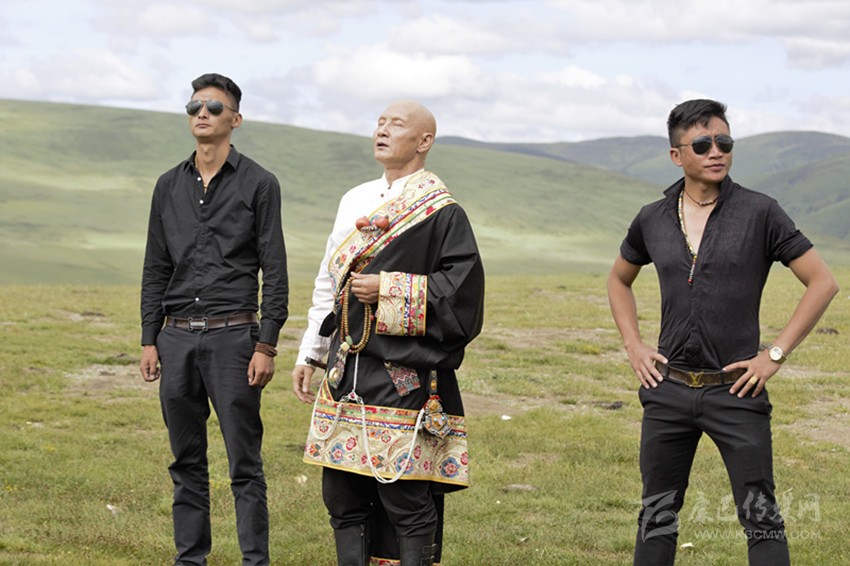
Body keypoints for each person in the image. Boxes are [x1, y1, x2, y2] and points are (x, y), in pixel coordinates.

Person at [607, 98, 839, 565]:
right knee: (656, 516)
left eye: (724, 142)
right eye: (703, 144)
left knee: (761, 518)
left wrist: (774, 355)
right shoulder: (652, 218)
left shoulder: (761, 212)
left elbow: (823, 282)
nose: (716, 151)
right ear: (677, 155)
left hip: (736, 390)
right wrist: (633, 344)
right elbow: (618, 279)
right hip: (668, 390)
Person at [291, 100, 484, 566]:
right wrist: (311, 353)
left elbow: (463, 295)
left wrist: (389, 288)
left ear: (424, 141)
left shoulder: (443, 212)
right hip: (345, 370)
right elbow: (328, 281)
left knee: (404, 497)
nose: (382, 130)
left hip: (405, 377)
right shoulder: (353, 199)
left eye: (396, 124)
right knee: (341, 495)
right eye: (379, 122)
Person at [139, 73, 288, 566]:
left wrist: (266, 344)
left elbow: (274, 269)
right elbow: (156, 266)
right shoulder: (167, 185)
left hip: (234, 339)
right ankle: (190, 560)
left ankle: (254, 561)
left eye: (214, 107)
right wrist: (149, 338)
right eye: (194, 106)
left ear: (235, 119)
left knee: (244, 463)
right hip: (176, 337)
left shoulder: (260, 183)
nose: (202, 113)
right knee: (185, 462)